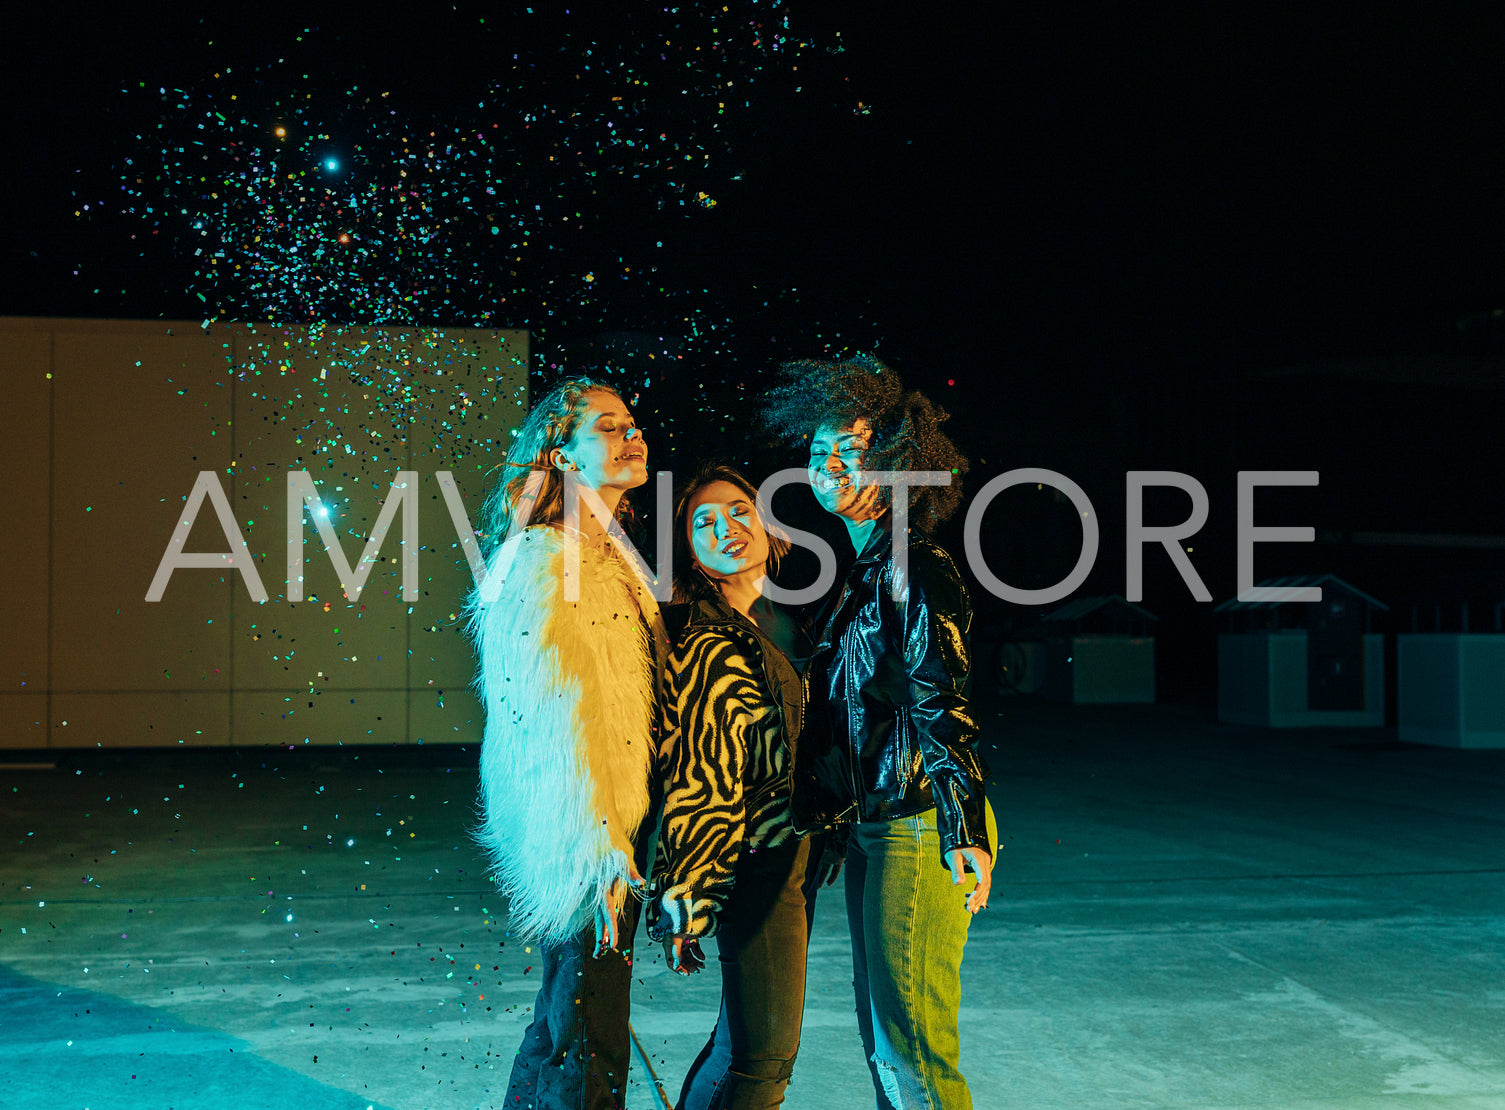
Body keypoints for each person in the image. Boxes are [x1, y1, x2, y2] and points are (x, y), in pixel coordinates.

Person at [761, 354, 997, 1110]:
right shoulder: (865, 569)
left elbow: (941, 701)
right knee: (885, 1040)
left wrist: (962, 826)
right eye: (817, 452)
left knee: (912, 1046)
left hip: (918, 823)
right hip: (879, 823)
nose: (826, 465)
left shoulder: (913, 565)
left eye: (850, 452)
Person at [464, 377, 666, 1110]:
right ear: (562, 453)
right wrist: (598, 847)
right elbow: (546, 723)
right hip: (585, 840)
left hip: (610, 830)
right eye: (608, 427)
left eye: (633, 423)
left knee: (570, 1019)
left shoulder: (607, 558)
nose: (631, 435)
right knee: (588, 1031)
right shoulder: (546, 562)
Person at [649, 461, 813, 1109]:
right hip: (751, 862)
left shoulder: (779, 621)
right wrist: (688, 896)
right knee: (761, 1059)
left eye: (738, 511)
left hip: (791, 857)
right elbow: (697, 770)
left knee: (741, 1044)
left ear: (768, 524)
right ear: (687, 548)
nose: (726, 528)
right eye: (704, 522)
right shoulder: (699, 631)